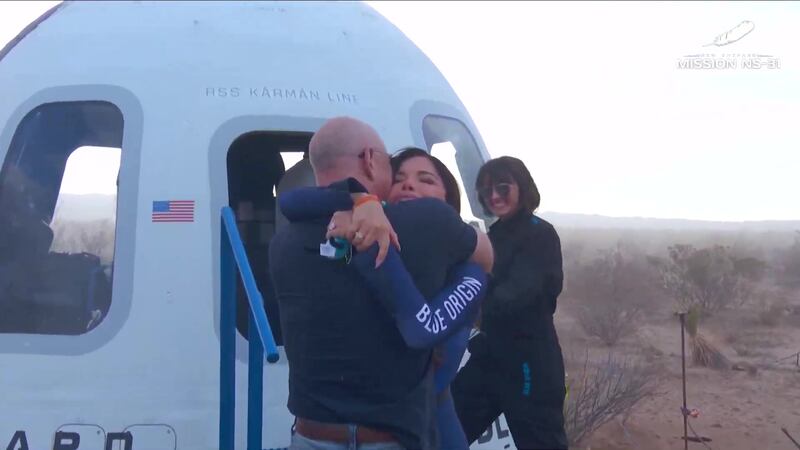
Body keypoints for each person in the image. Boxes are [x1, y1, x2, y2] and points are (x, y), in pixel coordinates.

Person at [268, 117, 493, 450]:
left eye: (424, 179)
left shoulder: (283, 241)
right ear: (370, 160)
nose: (406, 186)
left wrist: (358, 199)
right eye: (396, 172)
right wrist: (363, 201)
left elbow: (293, 203)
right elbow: (485, 257)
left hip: (311, 435)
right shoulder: (427, 224)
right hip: (395, 437)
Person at [451, 156, 569, 449]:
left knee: (539, 440)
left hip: (528, 360)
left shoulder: (540, 233)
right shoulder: (494, 234)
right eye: (486, 190)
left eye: (502, 187)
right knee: (445, 425)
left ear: (522, 187)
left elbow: (518, 294)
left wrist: (468, 306)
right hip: (491, 353)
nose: (493, 196)